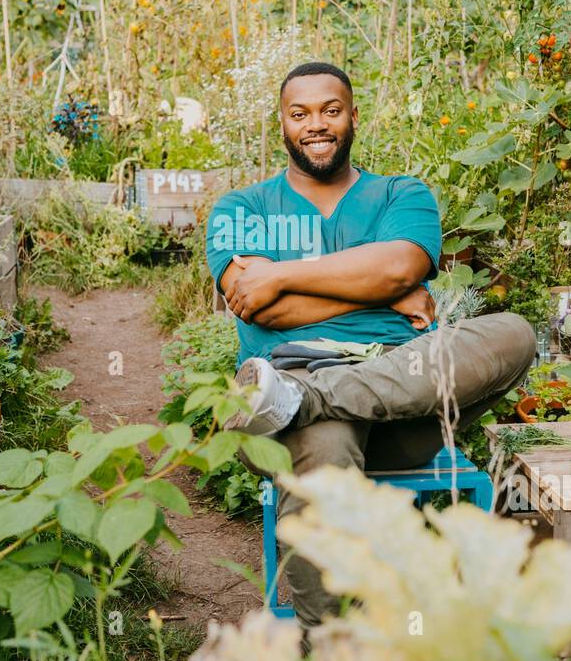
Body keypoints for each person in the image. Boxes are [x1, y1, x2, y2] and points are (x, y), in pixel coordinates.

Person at [205, 61, 536, 628]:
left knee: (515, 334)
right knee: (326, 461)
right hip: (296, 404)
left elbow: (399, 265)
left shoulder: (401, 193)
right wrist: (384, 294)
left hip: (400, 401)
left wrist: (285, 273)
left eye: (331, 111)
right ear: (281, 124)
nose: (317, 124)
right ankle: (330, 643)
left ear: (353, 117)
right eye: (300, 113)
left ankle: (307, 397)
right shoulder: (242, 209)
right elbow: (254, 300)